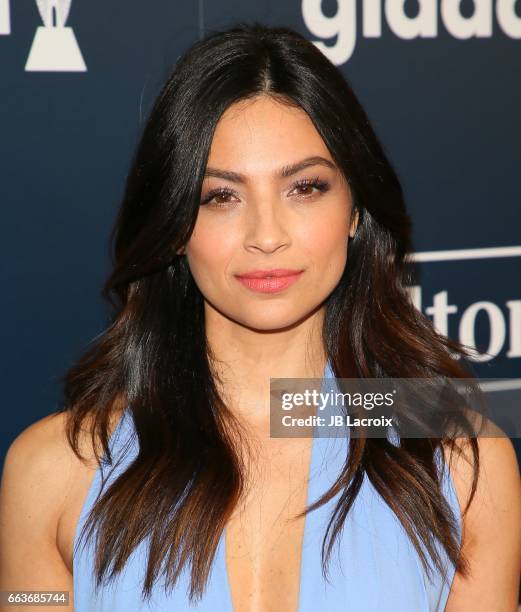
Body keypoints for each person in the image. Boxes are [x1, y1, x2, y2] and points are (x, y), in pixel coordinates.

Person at [1, 22, 520, 612]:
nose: (266, 236)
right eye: (221, 196)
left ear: (356, 209)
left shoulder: (459, 463)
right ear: (175, 227)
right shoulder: (51, 473)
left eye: (305, 187)